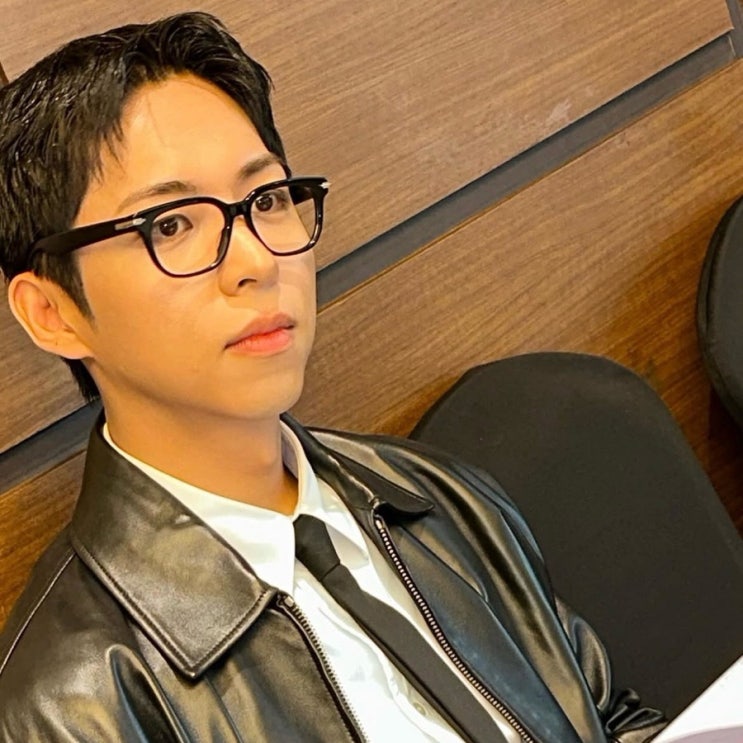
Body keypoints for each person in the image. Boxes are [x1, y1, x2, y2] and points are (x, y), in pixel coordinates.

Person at [0, 12, 665, 743]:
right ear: (53, 312)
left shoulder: (435, 496)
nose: (256, 260)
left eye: (266, 200)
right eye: (170, 225)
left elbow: (606, 717)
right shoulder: (71, 708)